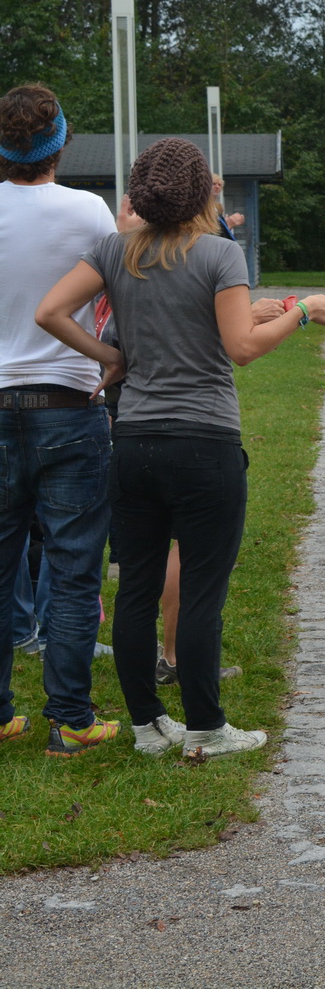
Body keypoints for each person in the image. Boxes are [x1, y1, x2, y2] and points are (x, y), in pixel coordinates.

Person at [37, 137, 325, 758]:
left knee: (137, 589)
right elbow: (242, 348)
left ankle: (147, 726)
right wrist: (304, 310)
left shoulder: (114, 251)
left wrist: (111, 356)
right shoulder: (219, 254)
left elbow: (51, 311)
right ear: (202, 191)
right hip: (205, 444)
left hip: (136, 443)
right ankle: (205, 725)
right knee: (203, 589)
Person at [0, 83, 119, 756]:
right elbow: (119, 288)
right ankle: (70, 718)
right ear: (60, 142)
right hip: (68, 404)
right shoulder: (87, 210)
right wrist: (110, 355)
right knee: (74, 567)